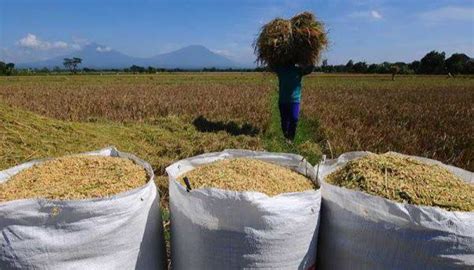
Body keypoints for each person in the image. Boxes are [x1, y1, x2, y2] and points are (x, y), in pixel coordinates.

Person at [275, 64, 313, 143]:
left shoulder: (298, 69)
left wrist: (311, 61)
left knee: (294, 118)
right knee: (284, 120)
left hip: (295, 99)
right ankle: (286, 136)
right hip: (283, 99)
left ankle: (291, 138)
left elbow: (309, 70)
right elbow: (272, 66)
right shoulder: (281, 69)